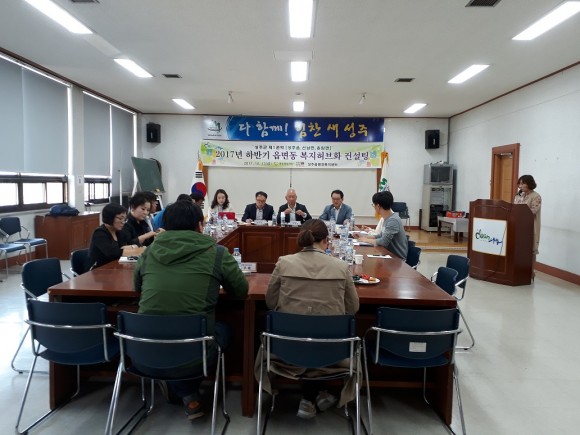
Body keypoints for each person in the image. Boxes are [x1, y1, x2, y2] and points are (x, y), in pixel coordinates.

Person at [134, 200, 249, 420]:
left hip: (144, 348)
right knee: (226, 328)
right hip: (195, 352)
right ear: (199, 225)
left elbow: (137, 288)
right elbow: (241, 290)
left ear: (164, 226)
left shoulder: (148, 253)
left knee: (180, 333)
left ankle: (182, 390)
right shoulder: (216, 252)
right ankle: (185, 389)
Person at [262, 219, 359, 419]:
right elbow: (352, 309)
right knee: (321, 336)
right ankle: (316, 395)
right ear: (326, 240)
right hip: (331, 350)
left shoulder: (284, 263)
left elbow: (270, 303)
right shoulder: (341, 267)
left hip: (287, 348)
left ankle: (311, 396)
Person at [87, 203, 141, 269]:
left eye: (124, 219)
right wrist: (131, 249)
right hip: (99, 269)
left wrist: (132, 247)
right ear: (110, 217)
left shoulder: (119, 231)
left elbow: (130, 243)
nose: (123, 222)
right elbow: (112, 253)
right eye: (120, 218)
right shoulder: (99, 233)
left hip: (116, 266)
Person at [356, 191, 408, 260]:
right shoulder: (387, 218)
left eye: (374, 205)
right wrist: (364, 237)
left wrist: (366, 240)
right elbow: (380, 235)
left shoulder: (393, 220)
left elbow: (383, 242)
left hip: (397, 259)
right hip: (388, 255)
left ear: (378, 206)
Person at [514, 174, 542, 279]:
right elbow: (514, 208)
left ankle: (530, 272)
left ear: (529, 184)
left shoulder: (536, 196)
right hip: (518, 226)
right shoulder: (518, 196)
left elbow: (532, 211)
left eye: (523, 183)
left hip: (530, 227)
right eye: (519, 184)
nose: (520, 186)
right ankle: (518, 270)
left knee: (530, 250)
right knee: (518, 248)